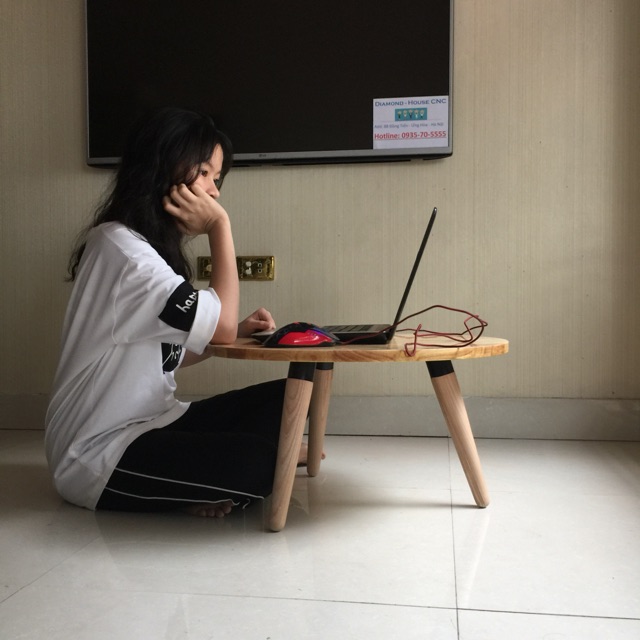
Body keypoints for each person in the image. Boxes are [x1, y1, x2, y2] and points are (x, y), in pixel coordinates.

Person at [45, 107, 291, 518]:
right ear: (163, 166)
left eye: (217, 178)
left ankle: (197, 486)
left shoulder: (140, 248)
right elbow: (221, 328)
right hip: (97, 453)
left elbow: (166, 355)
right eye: (205, 173)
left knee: (290, 397)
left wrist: (227, 333)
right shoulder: (127, 255)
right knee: (262, 463)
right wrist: (220, 227)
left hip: (157, 420)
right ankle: (195, 490)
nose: (214, 192)